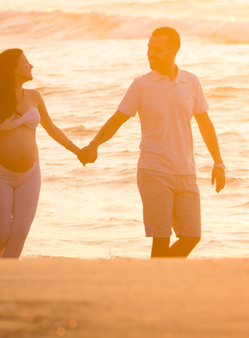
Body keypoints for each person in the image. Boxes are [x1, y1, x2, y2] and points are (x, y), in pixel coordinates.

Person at [80, 27, 224, 258]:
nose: (149, 53)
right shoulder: (141, 85)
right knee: (161, 239)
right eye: (148, 48)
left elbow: (205, 124)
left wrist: (219, 163)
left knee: (192, 236)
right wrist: (94, 144)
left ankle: (154, 277)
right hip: (154, 171)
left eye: (156, 49)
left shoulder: (191, 82)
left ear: (173, 50)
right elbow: (117, 120)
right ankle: (158, 288)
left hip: (186, 173)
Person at [0, 48, 81, 258]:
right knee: (2, 235)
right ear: (13, 69)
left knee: (21, 232)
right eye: (26, 62)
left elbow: (52, 129)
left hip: (30, 175)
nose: (31, 65)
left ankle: (4, 279)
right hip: (0, 174)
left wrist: (78, 151)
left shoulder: (35, 96)